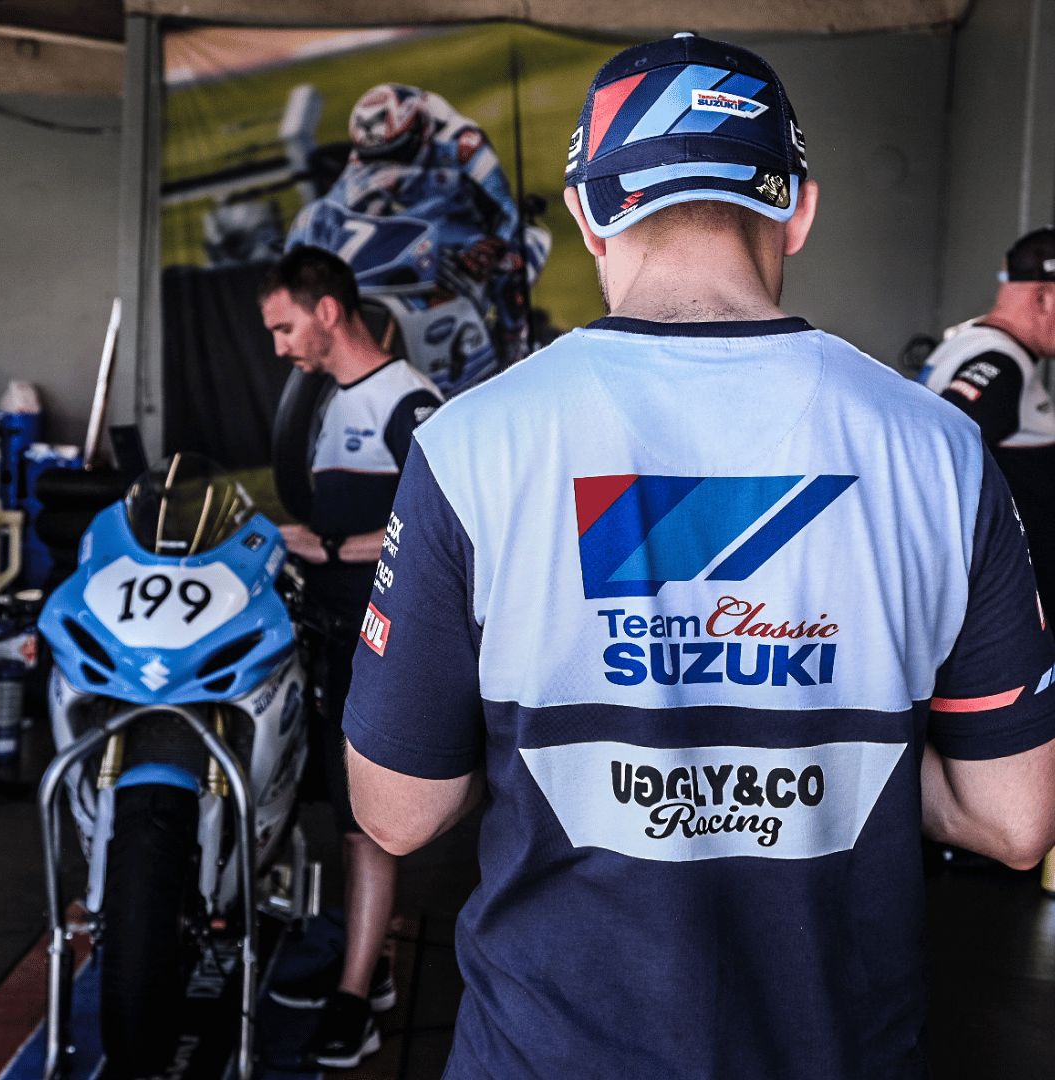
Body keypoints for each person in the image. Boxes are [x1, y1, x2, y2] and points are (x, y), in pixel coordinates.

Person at [340, 34, 1055, 1080]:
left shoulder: (470, 444)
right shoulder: (936, 448)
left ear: (586, 217)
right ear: (798, 209)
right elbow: (1015, 819)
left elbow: (396, 813)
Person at [258, 244, 442, 1069]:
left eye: (283, 326)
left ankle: (355, 997)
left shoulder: (412, 401)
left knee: (369, 823)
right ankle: (368, 965)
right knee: (340, 816)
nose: (279, 345)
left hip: (379, 643)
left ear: (326, 311)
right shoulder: (330, 399)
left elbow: (438, 537)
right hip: (329, 638)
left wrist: (328, 549)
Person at [287, 82, 549, 364]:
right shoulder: (366, 150)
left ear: (419, 132)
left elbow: (505, 211)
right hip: (415, 227)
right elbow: (338, 206)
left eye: (396, 153)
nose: (385, 168)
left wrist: (491, 246)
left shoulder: (464, 144)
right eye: (374, 158)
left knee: (511, 262)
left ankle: (515, 343)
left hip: (468, 227)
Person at [919, 226, 1055, 622]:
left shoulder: (967, 342)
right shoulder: (1000, 362)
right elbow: (939, 465)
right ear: (1043, 296)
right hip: (1011, 607)